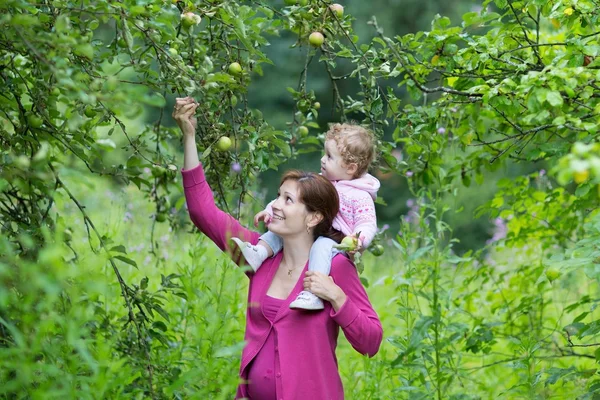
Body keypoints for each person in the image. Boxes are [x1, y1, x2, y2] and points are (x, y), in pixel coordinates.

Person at [172, 97, 383, 400]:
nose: (276, 207)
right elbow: (203, 212)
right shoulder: (259, 257)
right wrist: (189, 136)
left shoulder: (334, 268)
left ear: (313, 217)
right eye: (278, 197)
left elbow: (371, 342)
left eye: (288, 200)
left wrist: (336, 296)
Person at [232, 123, 380, 310]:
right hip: (315, 230)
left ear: (350, 168)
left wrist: (359, 240)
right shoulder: (323, 181)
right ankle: (259, 253)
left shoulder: (360, 196)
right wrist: (270, 211)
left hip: (335, 240)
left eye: (329, 156)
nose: (323, 160)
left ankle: (312, 294)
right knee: (284, 228)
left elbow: (367, 223)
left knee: (321, 246)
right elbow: (292, 199)